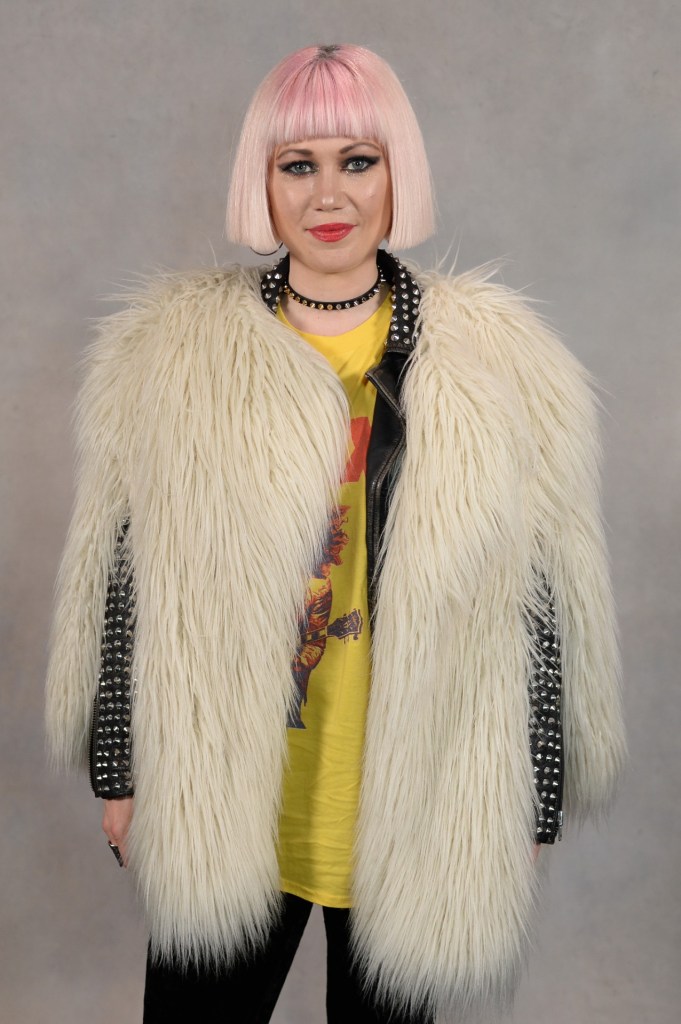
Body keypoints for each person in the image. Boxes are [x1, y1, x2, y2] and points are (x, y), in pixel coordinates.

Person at [45, 43, 626, 1023]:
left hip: (415, 797)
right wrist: (119, 767)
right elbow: (129, 576)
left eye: (358, 160)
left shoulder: (499, 361)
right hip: (231, 799)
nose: (329, 195)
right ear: (261, 182)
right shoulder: (174, 355)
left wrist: (529, 797)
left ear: (399, 171)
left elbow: (538, 600)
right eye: (297, 164)